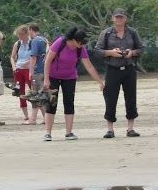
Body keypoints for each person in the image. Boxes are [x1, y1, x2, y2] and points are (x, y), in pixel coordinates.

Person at [43, 27, 105, 141]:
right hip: (53, 76)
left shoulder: (80, 49)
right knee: (51, 104)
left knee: (69, 103)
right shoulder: (60, 43)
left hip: (70, 77)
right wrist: (46, 79)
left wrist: (99, 81)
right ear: (72, 39)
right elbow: (47, 60)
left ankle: (69, 132)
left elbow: (89, 66)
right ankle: (48, 133)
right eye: (80, 42)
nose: (82, 44)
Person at [94, 8, 145, 139]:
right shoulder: (106, 33)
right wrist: (111, 52)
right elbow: (97, 50)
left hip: (129, 69)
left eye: (121, 17)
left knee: (131, 98)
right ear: (112, 18)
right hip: (112, 70)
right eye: (117, 17)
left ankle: (130, 128)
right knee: (110, 98)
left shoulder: (132, 33)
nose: (119, 19)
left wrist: (131, 53)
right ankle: (110, 129)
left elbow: (141, 48)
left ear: (125, 18)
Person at [10, 25, 33, 124]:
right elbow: (12, 57)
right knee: (20, 92)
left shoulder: (32, 42)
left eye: (21, 35)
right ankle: (26, 116)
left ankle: (38, 113)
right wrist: (14, 67)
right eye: (18, 35)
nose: (20, 37)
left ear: (27, 33)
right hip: (19, 70)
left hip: (29, 69)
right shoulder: (18, 43)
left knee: (34, 91)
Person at [27, 23, 49, 125]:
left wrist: (30, 71)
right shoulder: (44, 40)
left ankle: (33, 119)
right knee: (42, 94)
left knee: (35, 95)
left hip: (38, 71)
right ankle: (46, 118)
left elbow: (33, 57)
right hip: (45, 70)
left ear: (31, 30)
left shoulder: (35, 40)